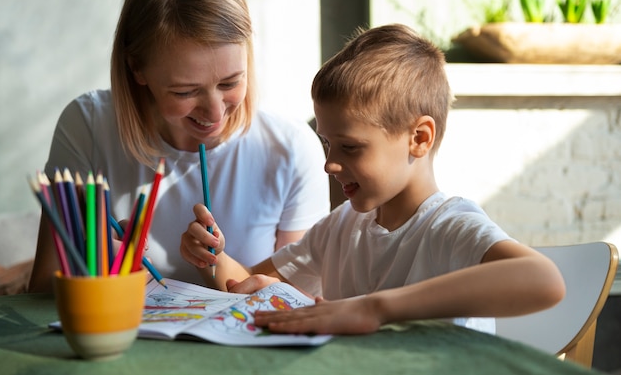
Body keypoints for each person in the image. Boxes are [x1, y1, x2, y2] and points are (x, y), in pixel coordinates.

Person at [179, 23, 565, 335]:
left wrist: (373, 309)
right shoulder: (340, 228)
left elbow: (544, 280)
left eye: (350, 147)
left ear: (419, 139)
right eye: (328, 143)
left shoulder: (449, 228)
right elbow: (248, 281)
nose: (330, 164)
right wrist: (212, 257)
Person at [28, 0, 330, 292]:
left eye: (231, 82)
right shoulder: (88, 126)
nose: (214, 111)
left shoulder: (291, 147)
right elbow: (42, 288)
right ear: (136, 69)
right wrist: (96, 273)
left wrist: (216, 266)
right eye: (185, 91)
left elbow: (300, 300)